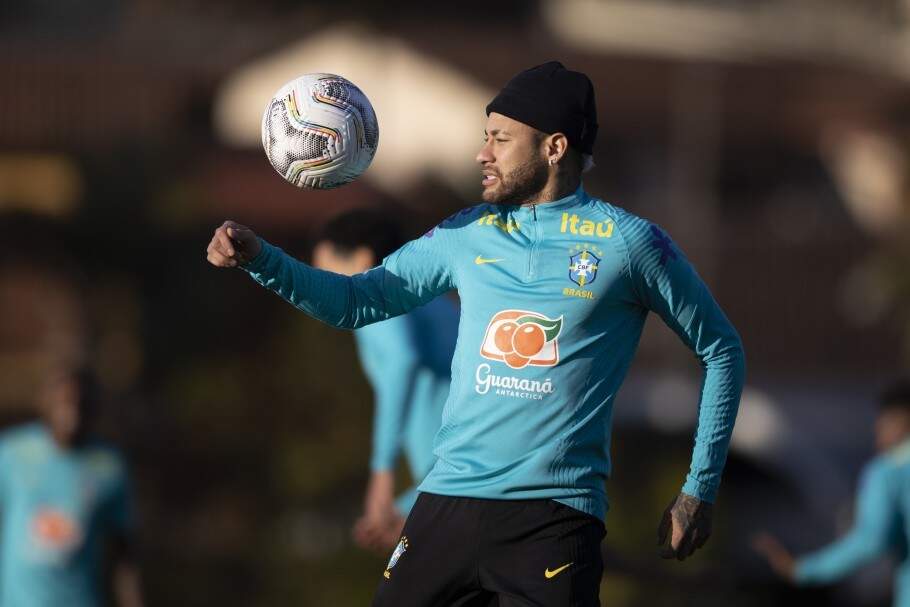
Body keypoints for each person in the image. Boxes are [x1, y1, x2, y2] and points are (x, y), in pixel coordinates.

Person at [206, 61, 745, 607]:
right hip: (444, 508)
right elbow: (355, 301)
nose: (481, 154)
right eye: (484, 137)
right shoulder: (464, 234)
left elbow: (722, 350)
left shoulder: (630, 244)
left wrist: (698, 489)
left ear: (555, 147)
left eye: (500, 139)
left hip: (553, 521)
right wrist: (260, 258)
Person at [311, 209, 458, 551]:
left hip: (456, 484)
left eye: (324, 272)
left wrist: (382, 473)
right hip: (462, 479)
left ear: (362, 259)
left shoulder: (375, 295)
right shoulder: (429, 297)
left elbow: (401, 360)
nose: (319, 285)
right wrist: (410, 506)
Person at [754, 379, 910, 607]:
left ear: (901, 421)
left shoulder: (888, 471)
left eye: (883, 422)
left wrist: (803, 570)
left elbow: (871, 540)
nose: (877, 431)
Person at [0, 365, 143, 607]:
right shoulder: (12, 453)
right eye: (65, 401)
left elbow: (123, 554)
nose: (73, 412)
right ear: (45, 402)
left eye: (82, 403)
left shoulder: (108, 467)